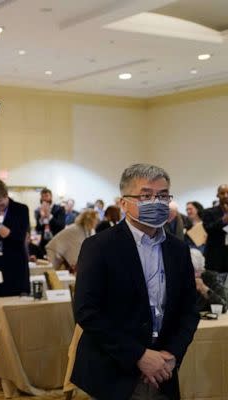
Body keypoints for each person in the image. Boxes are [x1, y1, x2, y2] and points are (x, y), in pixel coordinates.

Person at [72, 163, 199, 399]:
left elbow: (190, 310)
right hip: (112, 373)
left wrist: (172, 355)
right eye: (146, 195)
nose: (156, 202)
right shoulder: (99, 247)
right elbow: (86, 312)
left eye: (162, 196)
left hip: (164, 372)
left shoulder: (178, 249)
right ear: (124, 203)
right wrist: (139, 356)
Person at [191, 248, 227, 313]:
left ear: (201, 270)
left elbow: (224, 306)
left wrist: (204, 289)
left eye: (196, 272)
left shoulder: (212, 278)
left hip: (208, 321)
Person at [202, 185, 228, 272]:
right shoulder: (209, 212)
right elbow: (208, 228)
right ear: (217, 195)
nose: (225, 196)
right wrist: (222, 221)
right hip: (216, 255)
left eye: (227, 193)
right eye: (222, 193)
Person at [35, 188, 66, 255]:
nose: (44, 199)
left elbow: (61, 226)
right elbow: (37, 229)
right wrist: (42, 218)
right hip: (44, 243)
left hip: (56, 242)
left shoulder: (60, 209)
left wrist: (48, 215)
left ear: (51, 197)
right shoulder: (38, 210)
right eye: (42, 196)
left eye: (46, 196)